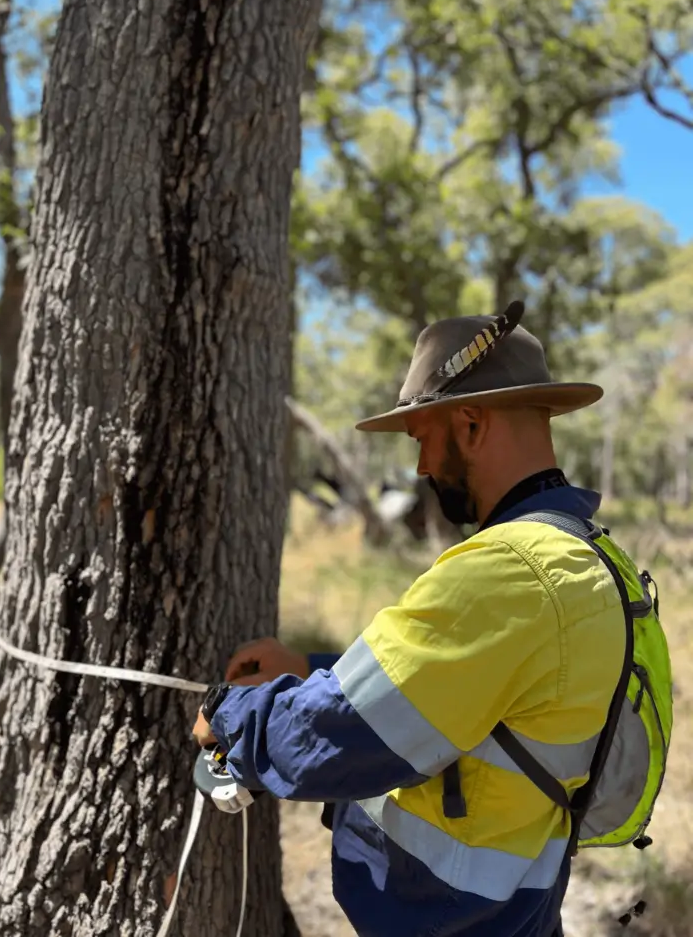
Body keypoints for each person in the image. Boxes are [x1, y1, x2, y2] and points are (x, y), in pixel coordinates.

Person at [193, 303, 627, 937]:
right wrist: (316, 669)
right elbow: (471, 690)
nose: (421, 466)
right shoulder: (586, 556)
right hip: (518, 910)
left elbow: (347, 733)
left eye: (422, 437)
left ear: (471, 423)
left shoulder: (509, 573)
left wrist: (231, 714)